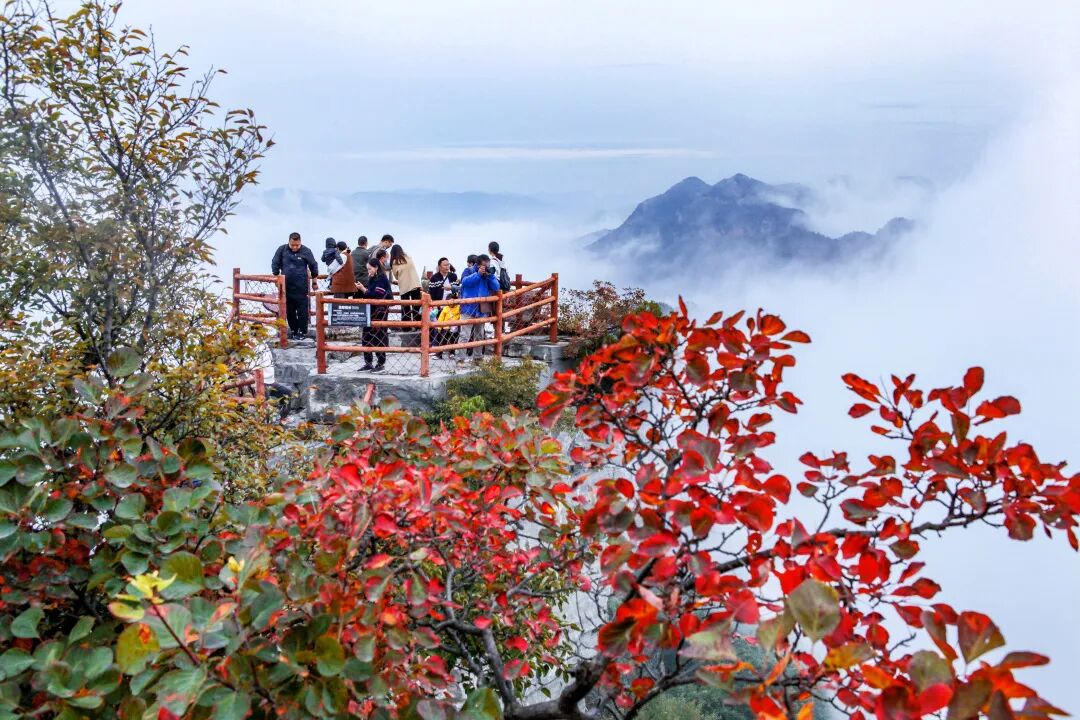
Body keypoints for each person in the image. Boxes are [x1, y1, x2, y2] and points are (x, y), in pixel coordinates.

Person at [271, 232, 318, 340]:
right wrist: (277, 278)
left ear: (300, 242)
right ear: (289, 242)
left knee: (302, 311)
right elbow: (275, 263)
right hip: (286, 287)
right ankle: (293, 330)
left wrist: (314, 281)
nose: (295, 247)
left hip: (301, 287)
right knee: (290, 310)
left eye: (297, 245)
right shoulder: (282, 250)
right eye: (293, 245)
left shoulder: (306, 251)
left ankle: (302, 332)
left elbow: (313, 266)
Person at [459, 253, 500, 360]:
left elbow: (496, 287)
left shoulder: (488, 275)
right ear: (479, 264)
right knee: (465, 335)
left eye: (488, 265)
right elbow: (464, 282)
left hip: (481, 310)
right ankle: (460, 359)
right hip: (468, 308)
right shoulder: (469, 271)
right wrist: (477, 274)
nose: (487, 267)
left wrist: (490, 275)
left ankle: (477, 358)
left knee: (480, 335)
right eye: (485, 265)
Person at [361, 257, 391, 372]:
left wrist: (364, 290)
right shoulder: (373, 278)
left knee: (379, 336)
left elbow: (377, 295)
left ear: (376, 267)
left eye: (370, 269)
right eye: (367, 269)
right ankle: (368, 362)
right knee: (366, 336)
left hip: (380, 312)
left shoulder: (382, 278)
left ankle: (380, 363)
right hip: (370, 311)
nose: (369, 271)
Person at [389, 244, 422, 323]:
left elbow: (396, 276)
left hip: (404, 286)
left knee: (405, 306)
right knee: (416, 305)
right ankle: (417, 324)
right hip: (415, 284)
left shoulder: (395, 262)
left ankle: (406, 326)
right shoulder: (409, 257)